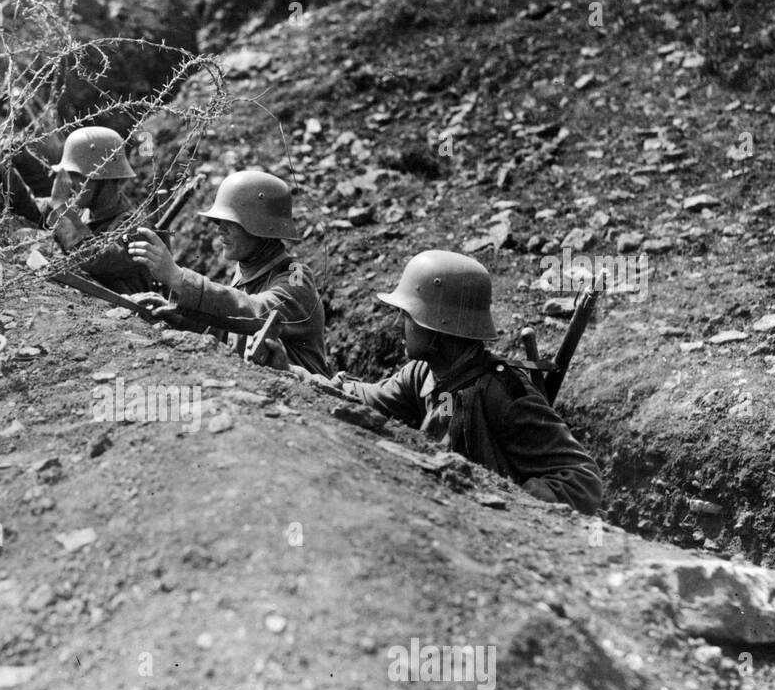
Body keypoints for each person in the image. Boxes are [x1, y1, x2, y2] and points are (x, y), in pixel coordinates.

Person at [297, 250, 603, 514]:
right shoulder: (422, 373)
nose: (397, 325)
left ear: (437, 324)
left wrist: (515, 504)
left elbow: (582, 478)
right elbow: (370, 398)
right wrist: (295, 372)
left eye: (408, 315)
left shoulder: (503, 393)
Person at [125, 170, 330, 375]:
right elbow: (232, 333)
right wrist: (181, 317)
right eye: (219, 221)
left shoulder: (297, 277)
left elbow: (255, 313)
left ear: (262, 228)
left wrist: (177, 277)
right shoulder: (249, 269)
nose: (220, 230)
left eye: (230, 222)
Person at [3, 126, 155, 296]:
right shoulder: (81, 210)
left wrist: (61, 207)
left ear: (103, 178)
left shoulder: (134, 228)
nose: (69, 182)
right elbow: (31, 209)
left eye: (78, 175)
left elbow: (92, 257)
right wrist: (5, 168)